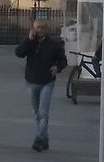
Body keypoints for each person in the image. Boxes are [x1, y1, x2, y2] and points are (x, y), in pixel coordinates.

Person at [14, 19, 67, 152]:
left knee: (43, 113)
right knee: (37, 112)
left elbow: (63, 60)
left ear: (47, 30)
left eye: (42, 28)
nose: (39, 30)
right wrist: (28, 40)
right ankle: (45, 139)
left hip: (47, 82)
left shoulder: (54, 45)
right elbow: (19, 53)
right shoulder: (30, 43)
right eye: (37, 27)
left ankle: (39, 139)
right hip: (32, 81)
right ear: (33, 28)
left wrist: (57, 67)